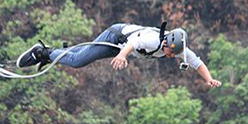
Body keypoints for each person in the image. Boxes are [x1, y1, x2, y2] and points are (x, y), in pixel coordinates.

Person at [16, 23, 222, 88]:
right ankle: (42, 52)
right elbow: (133, 43)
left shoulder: (179, 48)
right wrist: (122, 56)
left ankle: (50, 54)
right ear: (166, 42)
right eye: (169, 52)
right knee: (78, 61)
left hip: (122, 48)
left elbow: (197, 63)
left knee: (79, 55)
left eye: (174, 54)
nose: (170, 56)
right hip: (115, 38)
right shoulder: (152, 39)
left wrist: (209, 78)